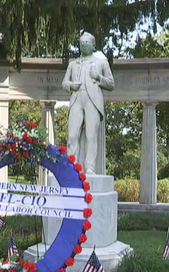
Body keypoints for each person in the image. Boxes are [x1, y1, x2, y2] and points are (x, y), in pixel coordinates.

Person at [62, 31, 115, 174]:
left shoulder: (101, 62)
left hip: (93, 100)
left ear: (93, 45)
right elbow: (64, 82)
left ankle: (90, 167)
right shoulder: (72, 64)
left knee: (91, 135)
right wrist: (70, 85)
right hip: (76, 99)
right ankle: (72, 166)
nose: (84, 45)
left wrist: (98, 77)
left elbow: (111, 84)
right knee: (72, 134)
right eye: (82, 43)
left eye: (87, 43)